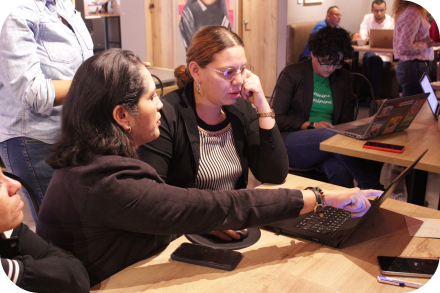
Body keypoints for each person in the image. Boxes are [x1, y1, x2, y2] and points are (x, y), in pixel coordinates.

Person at [36, 48, 379, 286]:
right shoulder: (108, 180)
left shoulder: (90, 163)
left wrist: (197, 219)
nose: (160, 106)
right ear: (121, 115)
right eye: (151, 97)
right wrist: (319, 196)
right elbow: (217, 203)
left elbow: (178, 210)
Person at [139, 26, 288, 240]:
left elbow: (275, 173)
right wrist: (202, 222)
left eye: (243, 69)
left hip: (234, 225)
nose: (239, 81)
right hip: (185, 233)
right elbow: (152, 201)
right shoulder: (166, 116)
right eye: (228, 72)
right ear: (196, 71)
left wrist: (263, 106)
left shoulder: (241, 110)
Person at [0, 0, 93, 223]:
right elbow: (31, 92)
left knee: (84, 225)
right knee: (61, 231)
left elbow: (80, 69)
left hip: (73, 132)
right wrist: (99, 80)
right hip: (35, 139)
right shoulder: (18, 14)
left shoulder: (64, 6)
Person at [272, 26, 384, 190]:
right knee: (330, 134)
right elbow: (277, 118)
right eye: (326, 62)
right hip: (293, 143)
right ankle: (374, 189)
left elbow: (346, 122)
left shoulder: (342, 77)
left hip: (331, 146)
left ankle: (349, 212)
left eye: (336, 63)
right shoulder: (292, 73)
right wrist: (311, 125)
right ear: (312, 54)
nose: (331, 68)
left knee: (339, 171)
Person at [0, 168, 89, 293]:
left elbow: (75, 276)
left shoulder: (8, 228)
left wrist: (14, 271)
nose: (16, 184)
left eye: (4, 175)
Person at [352, 0, 395, 99]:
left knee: (376, 63)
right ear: (372, 10)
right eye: (376, 10)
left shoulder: (391, 21)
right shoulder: (367, 18)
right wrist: (365, 38)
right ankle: (376, 95)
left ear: (386, 10)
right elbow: (363, 35)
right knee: (376, 60)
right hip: (369, 54)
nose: (379, 13)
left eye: (382, 10)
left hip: (386, 57)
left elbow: (393, 39)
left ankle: (363, 91)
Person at [392, 0, 435, 97]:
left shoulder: (412, 11)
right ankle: (382, 106)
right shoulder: (412, 13)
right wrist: (428, 44)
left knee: (423, 104)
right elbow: (403, 48)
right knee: (414, 107)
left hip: (413, 67)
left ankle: (381, 104)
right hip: (413, 67)